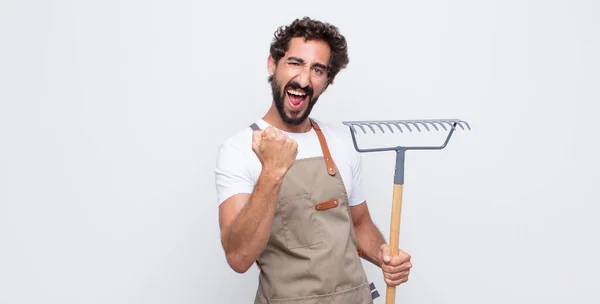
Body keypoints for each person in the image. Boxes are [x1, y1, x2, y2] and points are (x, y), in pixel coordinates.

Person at [215, 16, 412, 303]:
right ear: (273, 65)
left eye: (317, 70)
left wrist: (384, 254)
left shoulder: (341, 142)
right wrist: (271, 171)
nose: (304, 80)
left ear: (326, 82)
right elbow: (239, 256)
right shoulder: (238, 150)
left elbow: (358, 224)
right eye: (295, 63)